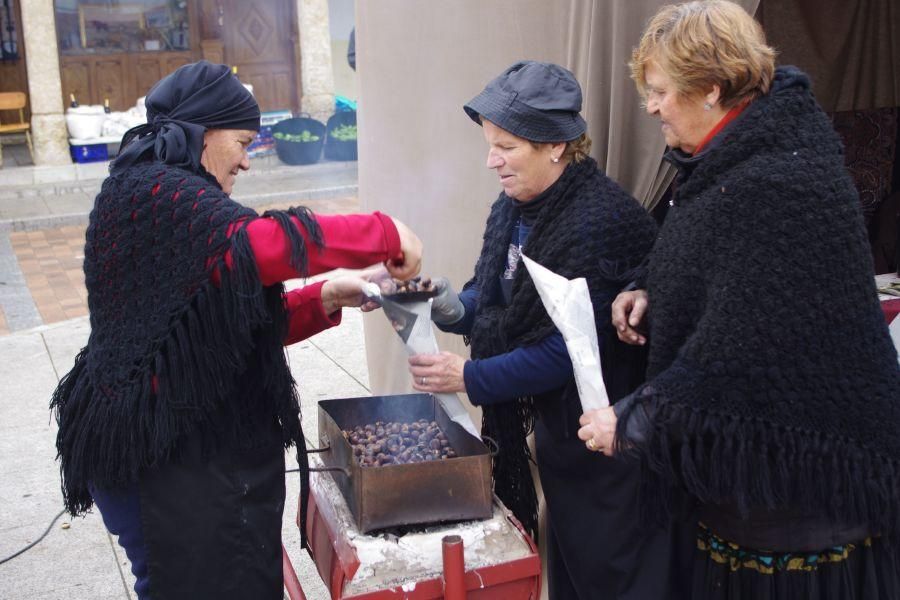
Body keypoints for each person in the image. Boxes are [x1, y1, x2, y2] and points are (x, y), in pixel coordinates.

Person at [50, 61, 422, 600]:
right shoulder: (157, 196)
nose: (248, 160)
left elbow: (222, 325)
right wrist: (386, 233)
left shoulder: (156, 189)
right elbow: (260, 245)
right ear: (203, 131)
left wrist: (325, 295)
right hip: (161, 473)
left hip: (167, 458)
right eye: (244, 141)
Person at [577, 2, 900, 598]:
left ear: (711, 89)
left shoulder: (781, 179)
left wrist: (631, 421)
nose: (650, 107)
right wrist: (649, 284)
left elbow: (747, 343)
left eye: (660, 91)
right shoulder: (730, 158)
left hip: (802, 492)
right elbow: (718, 256)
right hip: (753, 489)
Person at [407, 61, 683, 599]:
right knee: (572, 576)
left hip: (616, 449)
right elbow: (493, 300)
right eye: (491, 144)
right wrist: (445, 305)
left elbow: (565, 350)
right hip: (562, 440)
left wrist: (470, 375)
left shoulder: (601, 222)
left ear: (556, 146)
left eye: (507, 146)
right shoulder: (513, 209)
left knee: (616, 579)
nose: (492, 161)